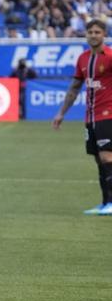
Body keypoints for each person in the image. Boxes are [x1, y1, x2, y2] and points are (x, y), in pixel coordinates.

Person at [52, 19, 112, 216]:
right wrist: (61, 113)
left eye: (97, 32)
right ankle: (105, 203)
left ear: (104, 35)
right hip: (91, 117)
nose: (93, 35)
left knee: (107, 156)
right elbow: (74, 88)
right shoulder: (83, 59)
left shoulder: (110, 56)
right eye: (90, 32)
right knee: (98, 160)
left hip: (108, 114)